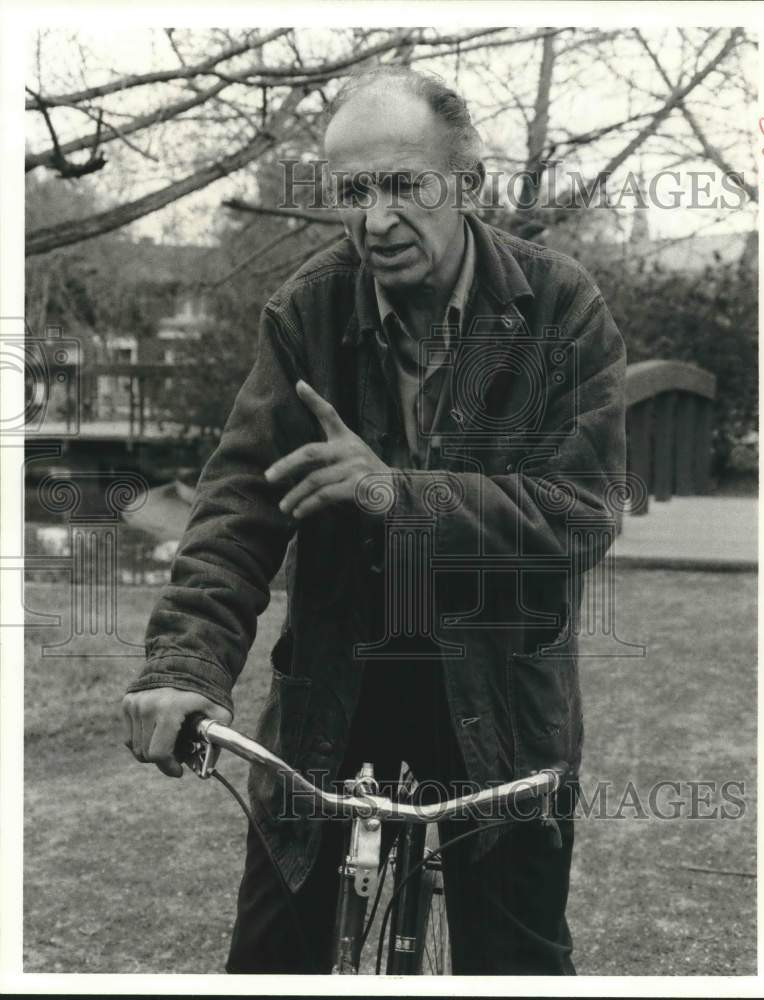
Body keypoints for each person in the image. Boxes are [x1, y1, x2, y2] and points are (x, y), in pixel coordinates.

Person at [122, 66, 626, 975]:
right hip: (337, 683)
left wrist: (397, 492)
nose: (376, 219)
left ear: (468, 186)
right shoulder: (309, 308)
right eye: (353, 192)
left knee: (517, 962)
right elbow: (240, 499)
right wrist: (186, 661)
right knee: (269, 954)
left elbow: (580, 517)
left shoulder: (561, 310)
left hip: (503, 700)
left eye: (403, 185)